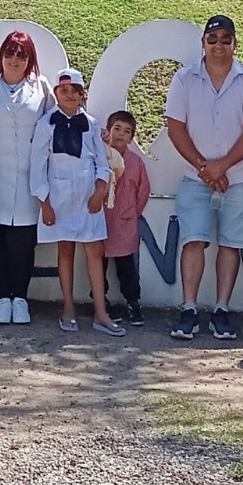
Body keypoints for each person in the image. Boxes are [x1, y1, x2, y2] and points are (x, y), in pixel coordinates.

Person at [163, 15, 243, 341]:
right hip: (196, 177)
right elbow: (175, 128)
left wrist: (221, 167)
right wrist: (205, 168)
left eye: (225, 39)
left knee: (231, 245)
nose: (219, 45)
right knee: (193, 240)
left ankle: (221, 309)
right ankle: (189, 309)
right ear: (203, 43)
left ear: (235, 43)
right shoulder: (184, 79)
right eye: (213, 39)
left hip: (237, 178)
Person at [32, 68, 123, 337]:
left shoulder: (93, 124)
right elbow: (37, 165)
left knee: (94, 251)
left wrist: (100, 189)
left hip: (88, 197)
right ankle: (68, 308)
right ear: (56, 94)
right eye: (64, 91)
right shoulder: (45, 124)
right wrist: (44, 202)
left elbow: (101, 161)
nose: (69, 95)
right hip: (59, 198)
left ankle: (100, 313)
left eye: (75, 91)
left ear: (83, 95)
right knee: (66, 250)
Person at [0, 32, 54, 325]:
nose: (15, 59)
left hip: (29, 175)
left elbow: (55, 124)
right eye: (10, 52)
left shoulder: (41, 87)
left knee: (23, 240)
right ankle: (2, 297)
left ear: (30, 59)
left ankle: (20, 298)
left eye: (22, 54)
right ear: (1, 55)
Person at [101, 109, 151, 327]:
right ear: (108, 130)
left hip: (124, 223)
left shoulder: (136, 163)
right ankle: (101, 302)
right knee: (97, 265)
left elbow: (143, 191)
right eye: (117, 129)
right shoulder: (99, 155)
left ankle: (133, 302)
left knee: (126, 267)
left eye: (127, 131)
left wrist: (132, 214)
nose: (121, 134)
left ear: (132, 137)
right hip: (100, 220)